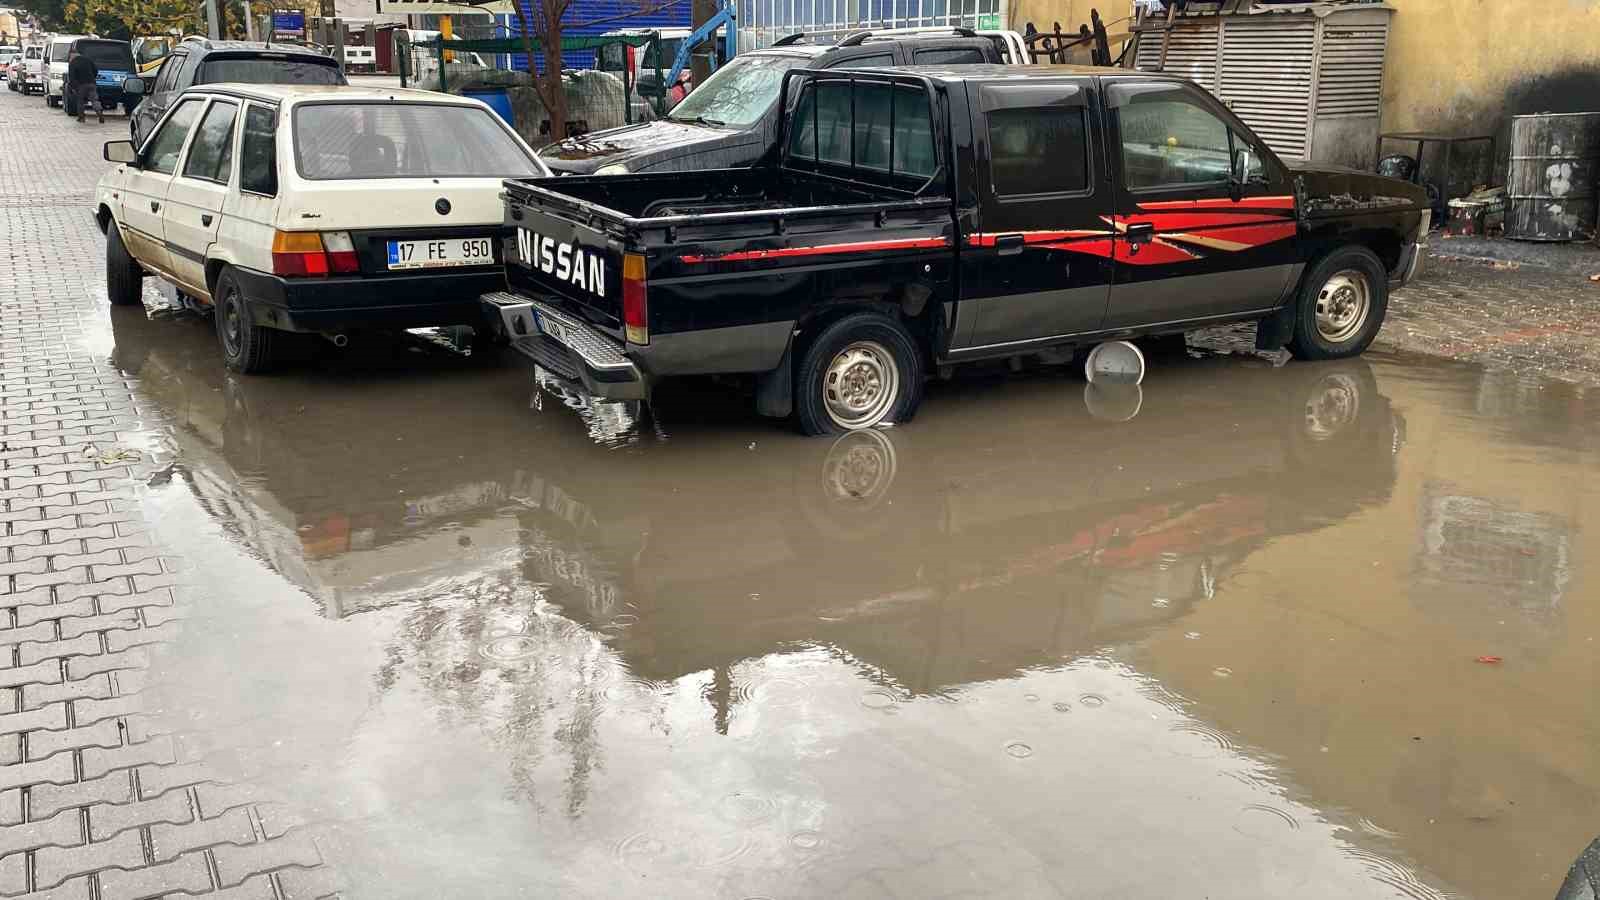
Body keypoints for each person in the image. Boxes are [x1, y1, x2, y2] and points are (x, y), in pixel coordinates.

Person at [65, 49, 101, 124]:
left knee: (80, 101)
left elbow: (71, 77)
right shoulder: (88, 59)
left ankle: (81, 118)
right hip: (92, 83)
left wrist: (73, 87)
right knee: (94, 100)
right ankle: (99, 112)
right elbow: (95, 70)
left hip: (81, 85)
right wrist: (92, 78)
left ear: (72, 55)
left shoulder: (73, 63)